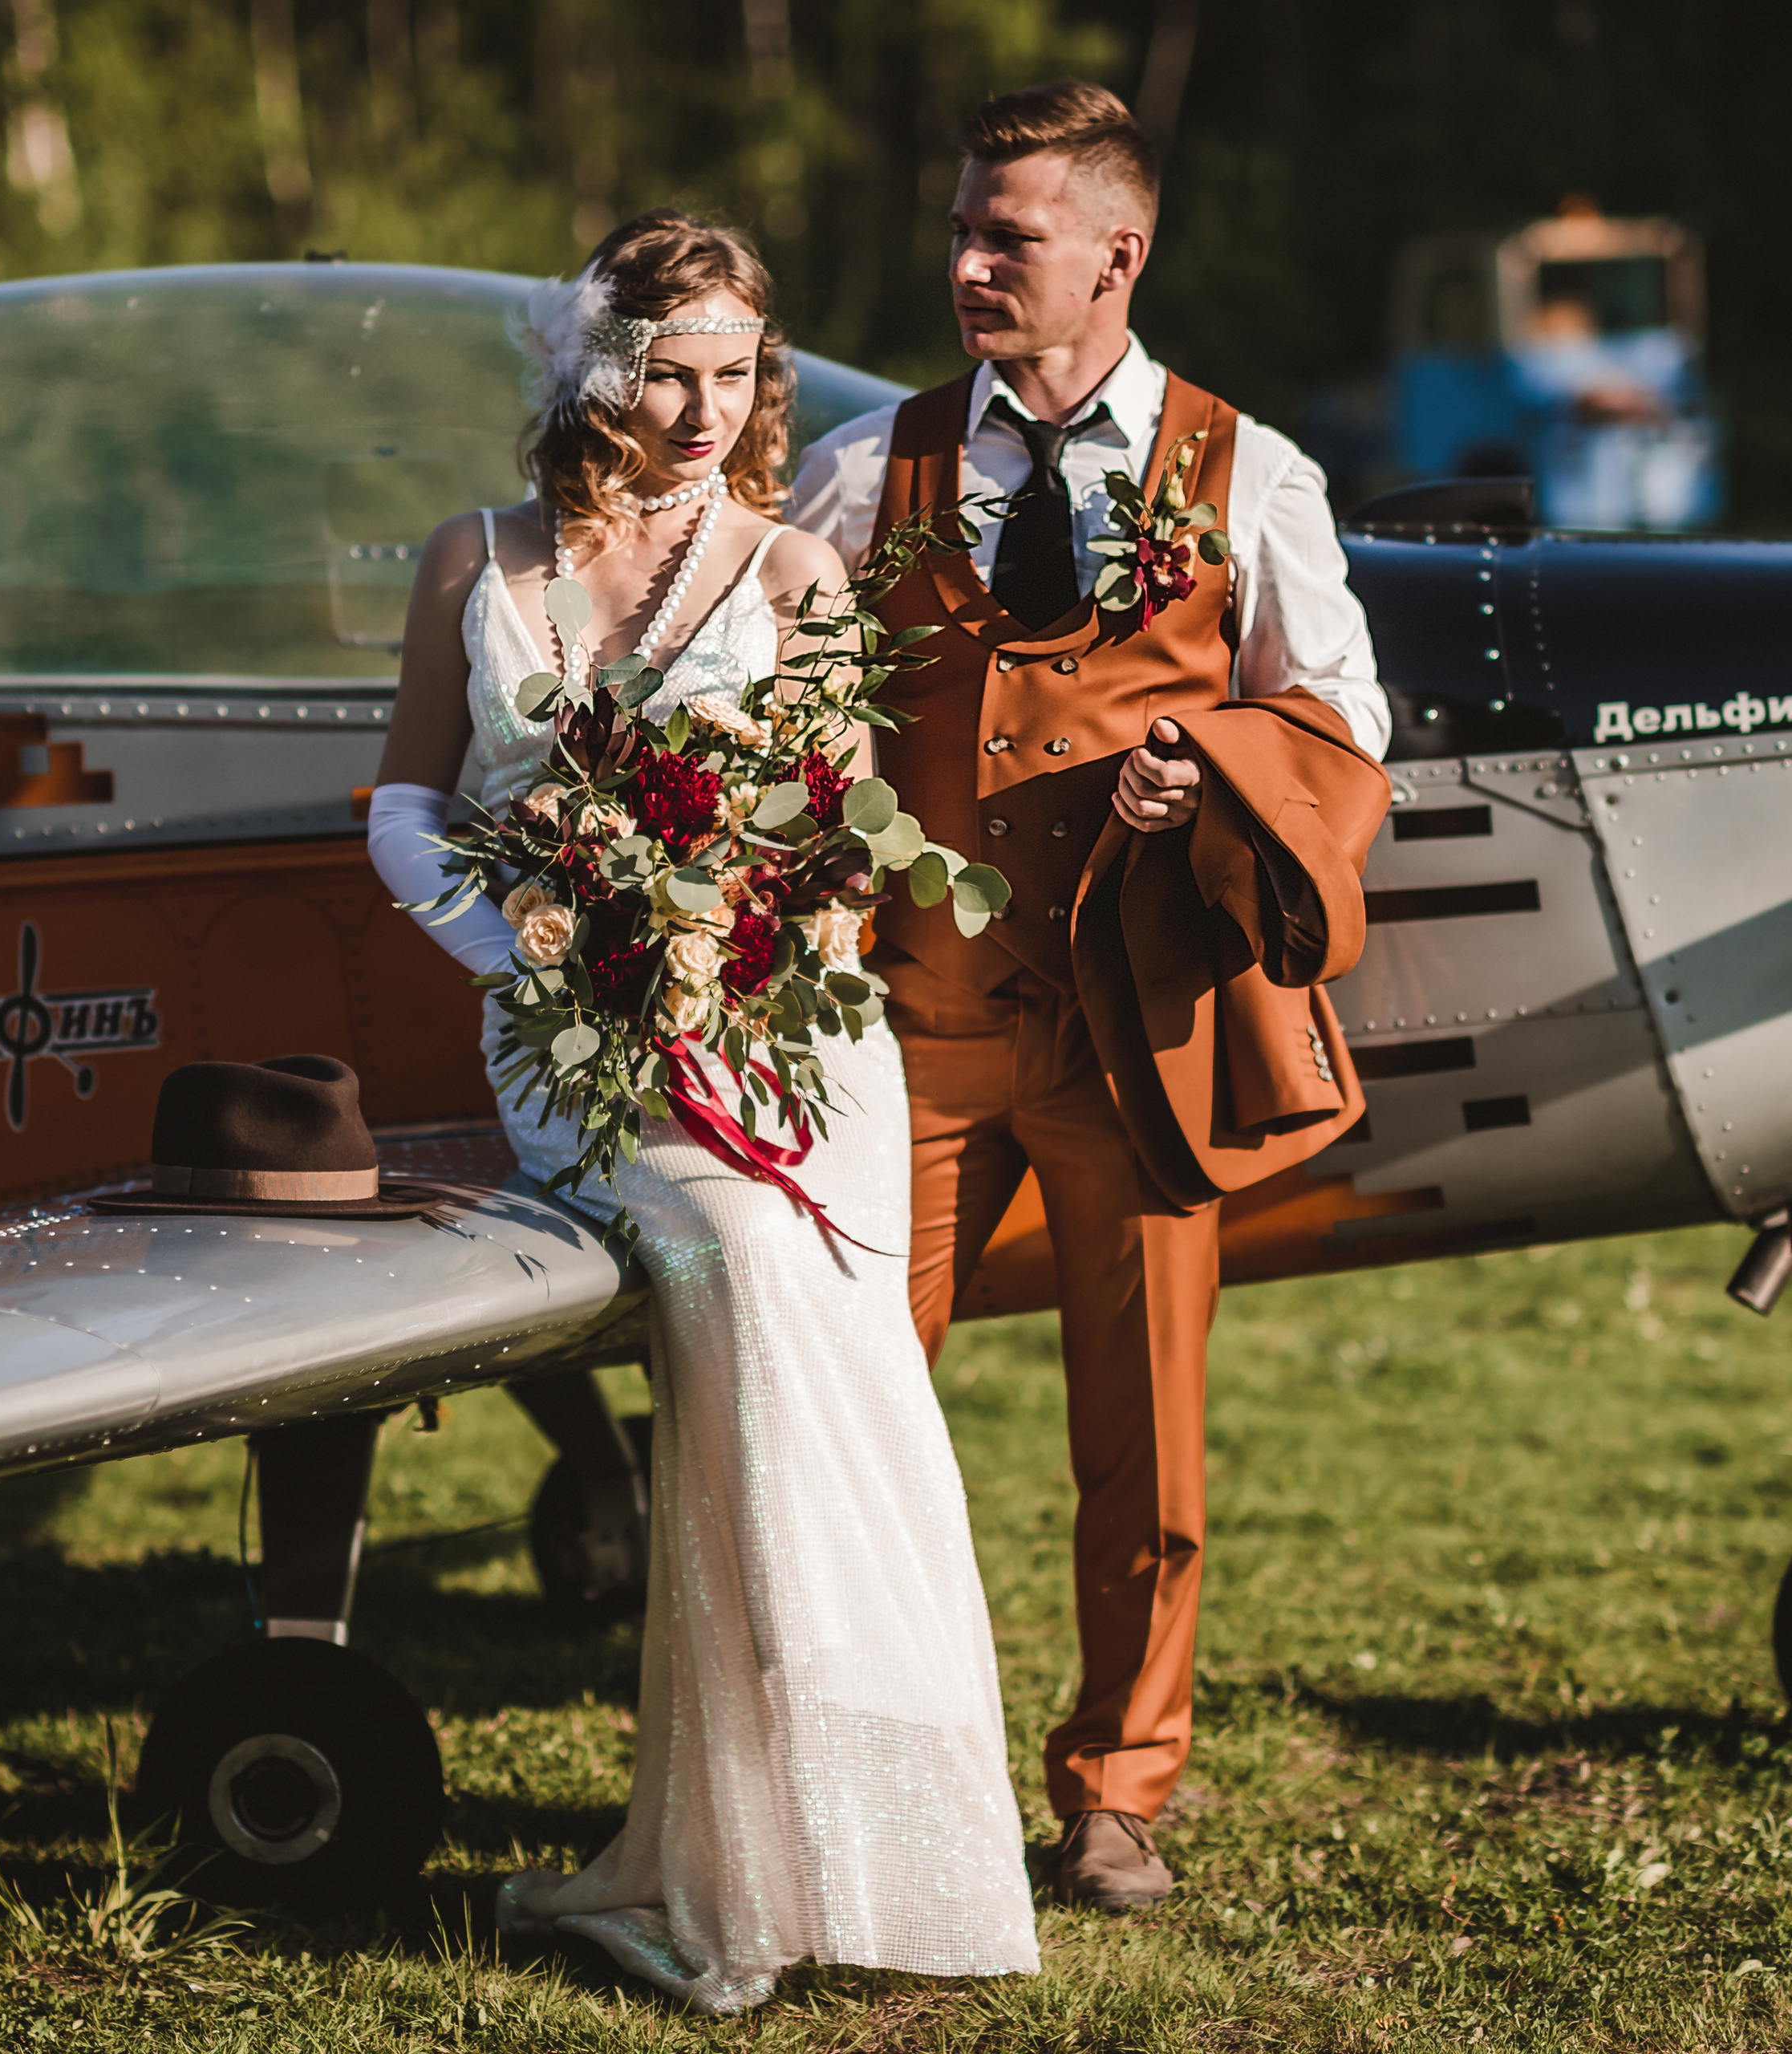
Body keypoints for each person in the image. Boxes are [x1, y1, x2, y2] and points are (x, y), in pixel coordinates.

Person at [367, 211, 1039, 2015]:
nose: (699, 407)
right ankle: (725, 1850)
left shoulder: (794, 578)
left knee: (784, 1290)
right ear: (591, 366)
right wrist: (506, 930)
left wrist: (732, 949)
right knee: (729, 1251)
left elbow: (840, 846)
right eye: (667, 365)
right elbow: (404, 803)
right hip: (562, 1042)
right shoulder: (474, 563)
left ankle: (852, 1846)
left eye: (733, 372)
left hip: (781, 1054)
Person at [789, 82, 1393, 1911]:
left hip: (1145, 1040)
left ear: (1115, 257)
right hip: (915, 1029)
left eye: (1008, 240)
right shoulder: (861, 467)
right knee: (841, 1416)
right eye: (962, 233)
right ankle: (849, 1764)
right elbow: (785, 724)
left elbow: (1349, 717)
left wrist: (1206, 765)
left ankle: (1115, 1786)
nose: (967, 267)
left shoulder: (1246, 469)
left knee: (1146, 1444)